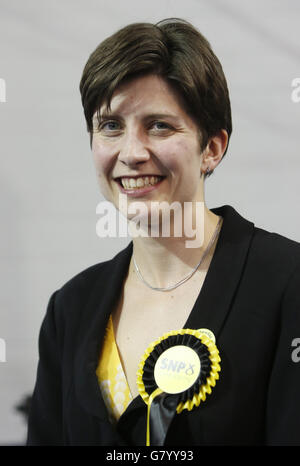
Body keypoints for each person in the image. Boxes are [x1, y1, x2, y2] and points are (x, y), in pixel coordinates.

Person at [26, 18, 300, 446]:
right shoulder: (70, 309)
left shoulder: (287, 282)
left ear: (212, 147)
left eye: (159, 125)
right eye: (111, 126)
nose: (132, 153)